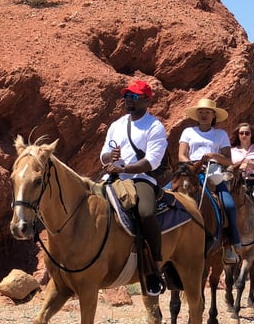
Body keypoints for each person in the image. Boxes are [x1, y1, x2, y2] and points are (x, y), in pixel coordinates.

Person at [100, 79, 167, 296]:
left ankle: (155, 266)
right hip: (114, 177)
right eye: (127, 96)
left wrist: (124, 167)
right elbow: (103, 154)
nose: (129, 101)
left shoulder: (154, 126)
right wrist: (110, 157)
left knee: (145, 212)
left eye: (135, 97)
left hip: (141, 179)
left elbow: (152, 161)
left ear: (147, 100)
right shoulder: (116, 125)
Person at [178, 98, 241, 263]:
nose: (203, 115)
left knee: (228, 205)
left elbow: (228, 160)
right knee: (167, 193)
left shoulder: (220, 134)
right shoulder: (188, 132)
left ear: (213, 115)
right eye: (201, 112)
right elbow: (181, 155)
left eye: (207, 113)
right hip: (190, 169)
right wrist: (193, 164)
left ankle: (229, 244)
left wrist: (214, 156)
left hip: (212, 170)